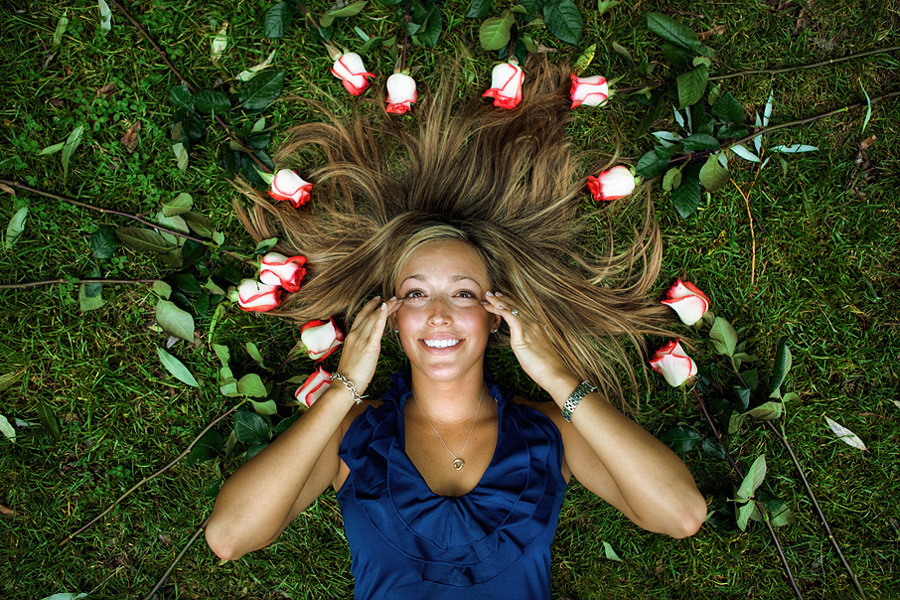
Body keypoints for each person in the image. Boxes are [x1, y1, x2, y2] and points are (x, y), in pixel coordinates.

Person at [205, 59, 707, 599]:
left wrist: (559, 379)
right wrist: (343, 389)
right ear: (391, 317)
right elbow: (229, 537)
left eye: (463, 293)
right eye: (416, 294)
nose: (439, 314)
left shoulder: (549, 434)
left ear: (495, 314)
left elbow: (680, 514)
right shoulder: (352, 434)